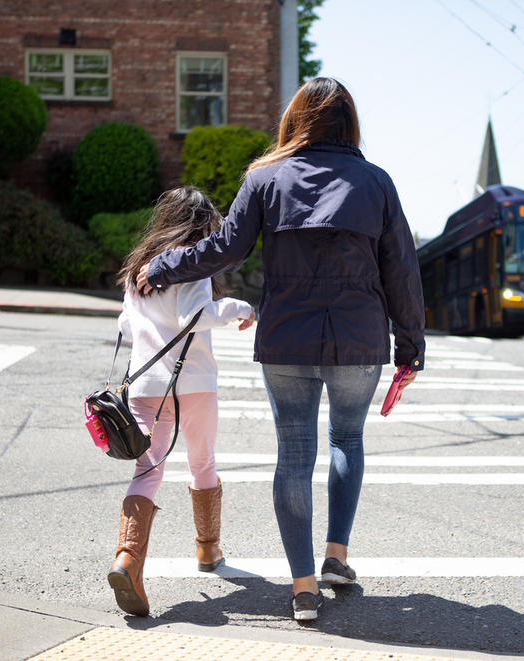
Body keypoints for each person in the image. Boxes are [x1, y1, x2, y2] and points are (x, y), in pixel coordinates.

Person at [136, 77, 425, 622]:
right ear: (349, 125)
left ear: (295, 121)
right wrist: (410, 347)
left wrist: (161, 265)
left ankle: (303, 587)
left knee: (294, 454)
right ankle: (337, 554)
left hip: (287, 336)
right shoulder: (377, 183)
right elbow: (402, 271)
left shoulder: (265, 178)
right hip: (359, 337)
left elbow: (224, 250)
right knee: (348, 438)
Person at [108, 186, 256, 617]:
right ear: (202, 226)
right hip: (193, 382)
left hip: (145, 385)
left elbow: (128, 326)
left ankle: (128, 560)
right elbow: (196, 316)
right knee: (202, 462)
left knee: (147, 470)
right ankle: (208, 550)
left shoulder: (139, 268)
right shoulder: (193, 264)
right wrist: (240, 309)